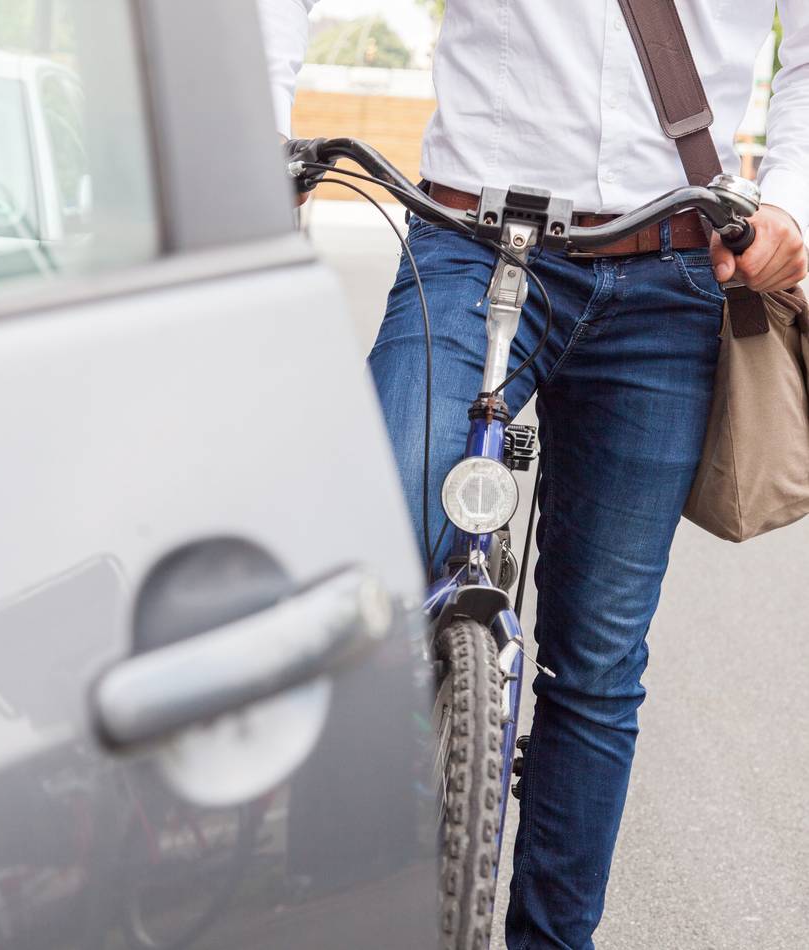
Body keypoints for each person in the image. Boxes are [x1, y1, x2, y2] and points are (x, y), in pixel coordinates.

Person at [256, 2, 809, 948]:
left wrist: (792, 200)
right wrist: (260, 137)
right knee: (371, 582)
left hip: (675, 271)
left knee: (597, 662)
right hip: (466, 239)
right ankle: (340, 909)